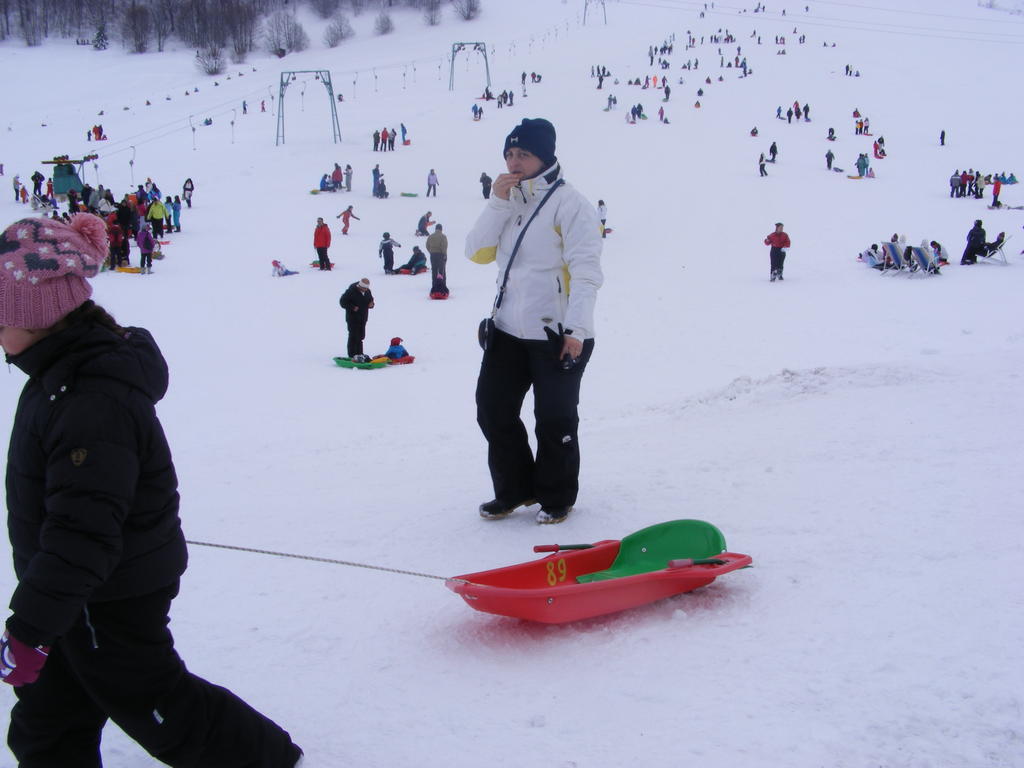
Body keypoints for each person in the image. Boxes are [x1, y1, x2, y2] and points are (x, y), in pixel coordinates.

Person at [0, 214, 303, 768]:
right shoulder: (57, 373)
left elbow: (82, 532)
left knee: (155, 704)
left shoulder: (89, 399)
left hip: (108, 594)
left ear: (37, 315)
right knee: (50, 710)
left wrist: (30, 627)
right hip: (77, 589)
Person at [465, 117, 604, 525]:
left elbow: (586, 272)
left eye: (523, 153)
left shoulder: (572, 204)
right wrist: (496, 203)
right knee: (492, 409)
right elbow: (476, 252)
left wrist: (576, 331)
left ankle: (556, 496)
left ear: (544, 156)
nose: (514, 161)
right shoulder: (510, 202)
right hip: (508, 329)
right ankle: (514, 490)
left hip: (557, 333)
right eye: (509, 153)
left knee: (555, 418)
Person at [339, 278, 374, 358]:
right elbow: (342, 302)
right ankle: (352, 355)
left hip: (363, 318)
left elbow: (371, 300)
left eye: (366, 288)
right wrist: (352, 307)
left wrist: (371, 304)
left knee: (361, 336)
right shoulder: (351, 291)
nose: (365, 290)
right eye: (364, 288)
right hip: (352, 318)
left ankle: (359, 353)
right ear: (359, 286)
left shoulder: (368, 291)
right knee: (353, 336)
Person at [425, 223, 449, 291]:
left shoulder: (431, 236)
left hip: (433, 255)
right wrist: (444, 255)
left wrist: (431, 251)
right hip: (441, 255)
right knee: (442, 270)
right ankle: (442, 286)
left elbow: (427, 245)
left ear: (435, 229)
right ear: (441, 229)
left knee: (434, 270)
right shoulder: (443, 236)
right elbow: (444, 246)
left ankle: (434, 285)